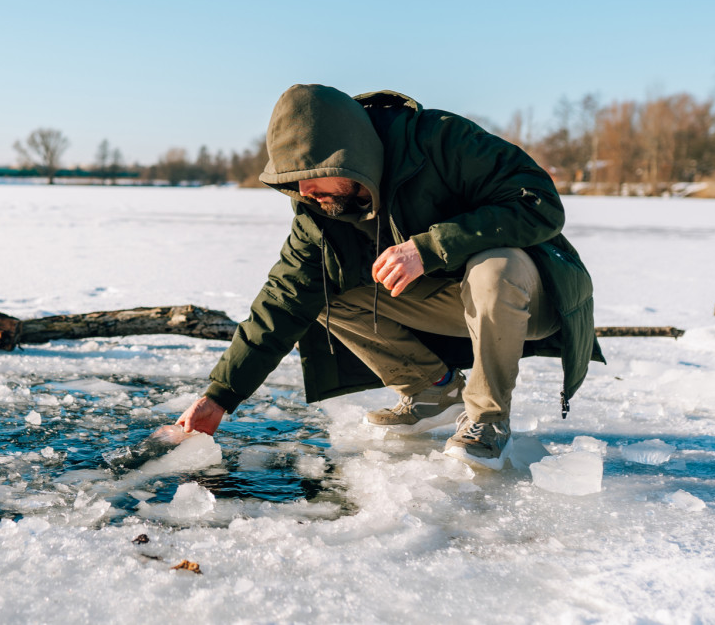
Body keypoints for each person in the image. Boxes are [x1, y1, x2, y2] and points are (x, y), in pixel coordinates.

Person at [177, 84, 602, 470]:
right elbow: (283, 299)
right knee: (321, 292)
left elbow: (540, 203)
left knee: (495, 267)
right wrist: (220, 397)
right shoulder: (321, 211)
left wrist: (430, 248)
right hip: (450, 304)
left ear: (345, 155)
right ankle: (431, 387)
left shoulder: (440, 140)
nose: (304, 193)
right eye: (292, 182)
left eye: (308, 177)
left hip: (531, 294)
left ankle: (487, 420)